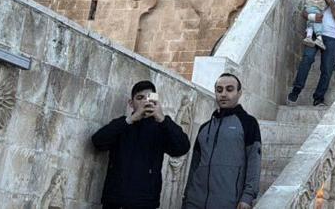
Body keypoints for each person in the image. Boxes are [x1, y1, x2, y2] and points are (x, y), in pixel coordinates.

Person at [92, 80, 191, 209]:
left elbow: (182, 147)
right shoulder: (122, 124)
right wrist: (130, 120)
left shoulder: (161, 128)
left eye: (149, 98)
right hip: (115, 201)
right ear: (131, 103)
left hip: (145, 202)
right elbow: (98, 141)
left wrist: (162, 118)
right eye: (140, 98)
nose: (145, 102)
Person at [184, 73, 261, 209]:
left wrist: (248, 197)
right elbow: (194, 166)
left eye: (229, 89)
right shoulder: (204, 128)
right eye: (219, 90)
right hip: (195, 202)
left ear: (239, 93)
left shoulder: (248, 123)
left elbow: (254, 162)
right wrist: (187, 196)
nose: (223, 94)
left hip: (229, 202)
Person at [288, 0, 335, 106]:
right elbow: (304, 11)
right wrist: (313, 17)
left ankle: (318, 98)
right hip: (313, 32)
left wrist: (331, 1)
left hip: (331, 36)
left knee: (327, 68)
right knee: (307, 59)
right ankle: (296, 90)